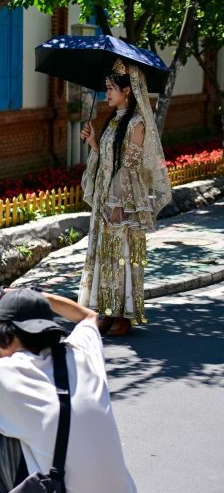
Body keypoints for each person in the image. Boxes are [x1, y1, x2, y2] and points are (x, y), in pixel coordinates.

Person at [0, 287, 141, 493]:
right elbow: (88, 317)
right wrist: (37, 298)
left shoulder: (5, 371)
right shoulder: (82, 351)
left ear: (6, 333)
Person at [79, 58, 172, 336]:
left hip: (121, 202)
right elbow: (108, 161)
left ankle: (122, 315)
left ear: (127, 91)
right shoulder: (113, 122)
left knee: (119, 256)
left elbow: (129, 170)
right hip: (104, 200)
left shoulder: (136, 124)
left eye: (111, 88)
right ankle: (105, 310)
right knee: (103, 255)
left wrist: (115, 205)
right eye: (106, 87)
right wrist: (94, 143)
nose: (106, 93)